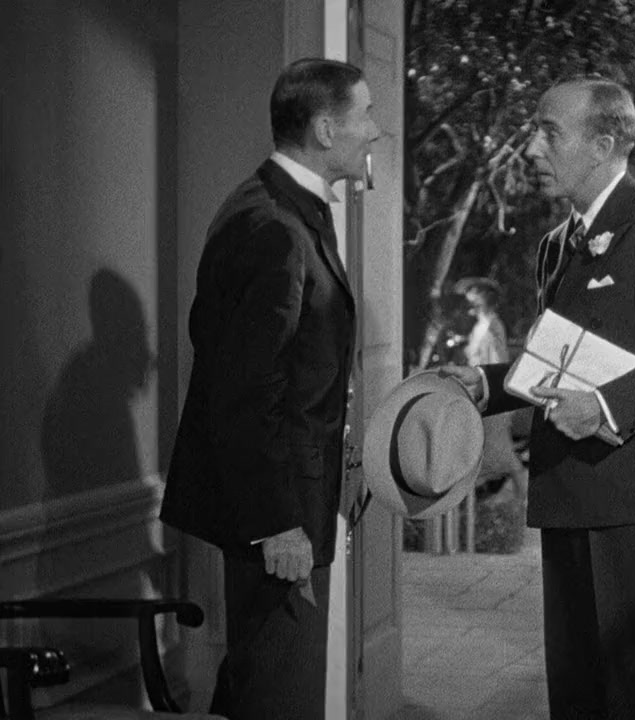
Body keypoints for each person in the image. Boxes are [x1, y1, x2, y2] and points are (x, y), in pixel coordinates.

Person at [442, 76, 635, 719]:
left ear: (602, 144)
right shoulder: (557, 244)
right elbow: (561, 357)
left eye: (549, 133)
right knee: (577, 690)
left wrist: (603, 408)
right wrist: (487, 384)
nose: (533, 149)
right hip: (569, 490)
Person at [159, 58, 379, 720]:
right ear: (324, 129)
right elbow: (244, 391)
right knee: (282, 695)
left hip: (288, 500)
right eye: (366, 115)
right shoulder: (272, 225)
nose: (374, 131)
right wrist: (277, 523)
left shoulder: (281, 207)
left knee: (268, 682)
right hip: (277, 515)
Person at [458, 278, 528, 503]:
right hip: (481, 392)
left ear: (485, 297)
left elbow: (497, 361)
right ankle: (508, 502)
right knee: (492, 450)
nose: (469, 296)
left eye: (474, 292)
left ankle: (520, 501)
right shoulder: (479, 326)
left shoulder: (493, 325)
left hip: (491, 392)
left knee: (501, 452)